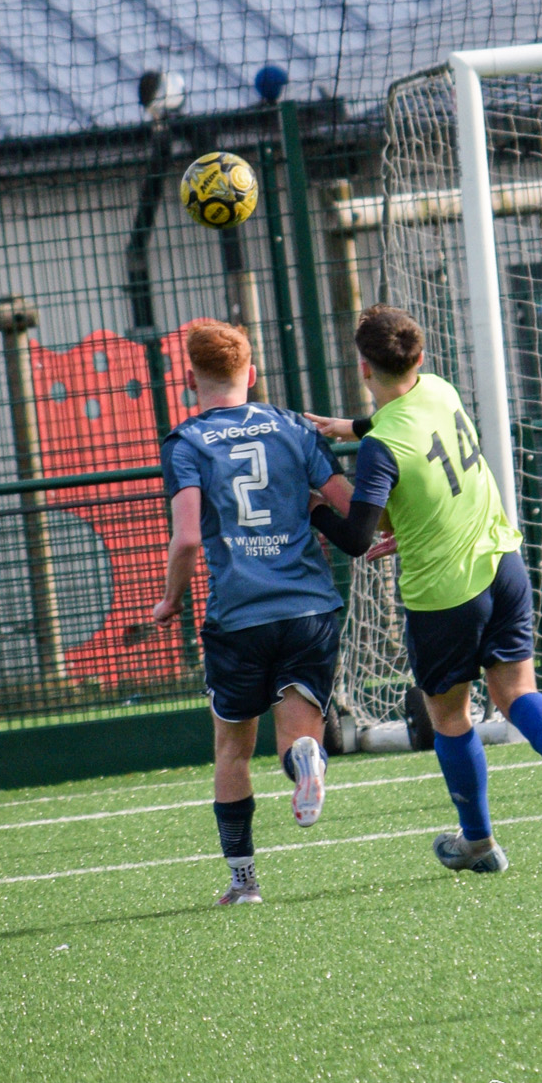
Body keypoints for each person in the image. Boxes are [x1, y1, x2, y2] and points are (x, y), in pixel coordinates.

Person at [305, 305, 542, 874]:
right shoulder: (440, 390)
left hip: (444, 595)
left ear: (363, 368)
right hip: (503, 563)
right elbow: (410, 428)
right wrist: (352, 427)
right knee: (516, 692)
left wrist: (315, 511)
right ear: (420, 358)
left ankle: (478, 842)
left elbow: (357, 538)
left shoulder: (383, 448)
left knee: (449, 716)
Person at [150, 318, 345, 906]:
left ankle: (244, 882)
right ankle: (306, 759)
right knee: (297, 736)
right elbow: (347, 503)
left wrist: (170, 599)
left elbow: (187, 539)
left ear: (191, 380)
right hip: (309, 607)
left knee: (232, 749)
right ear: (252, 374)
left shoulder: (186, 443)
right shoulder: (292, 426)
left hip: (238, 615)